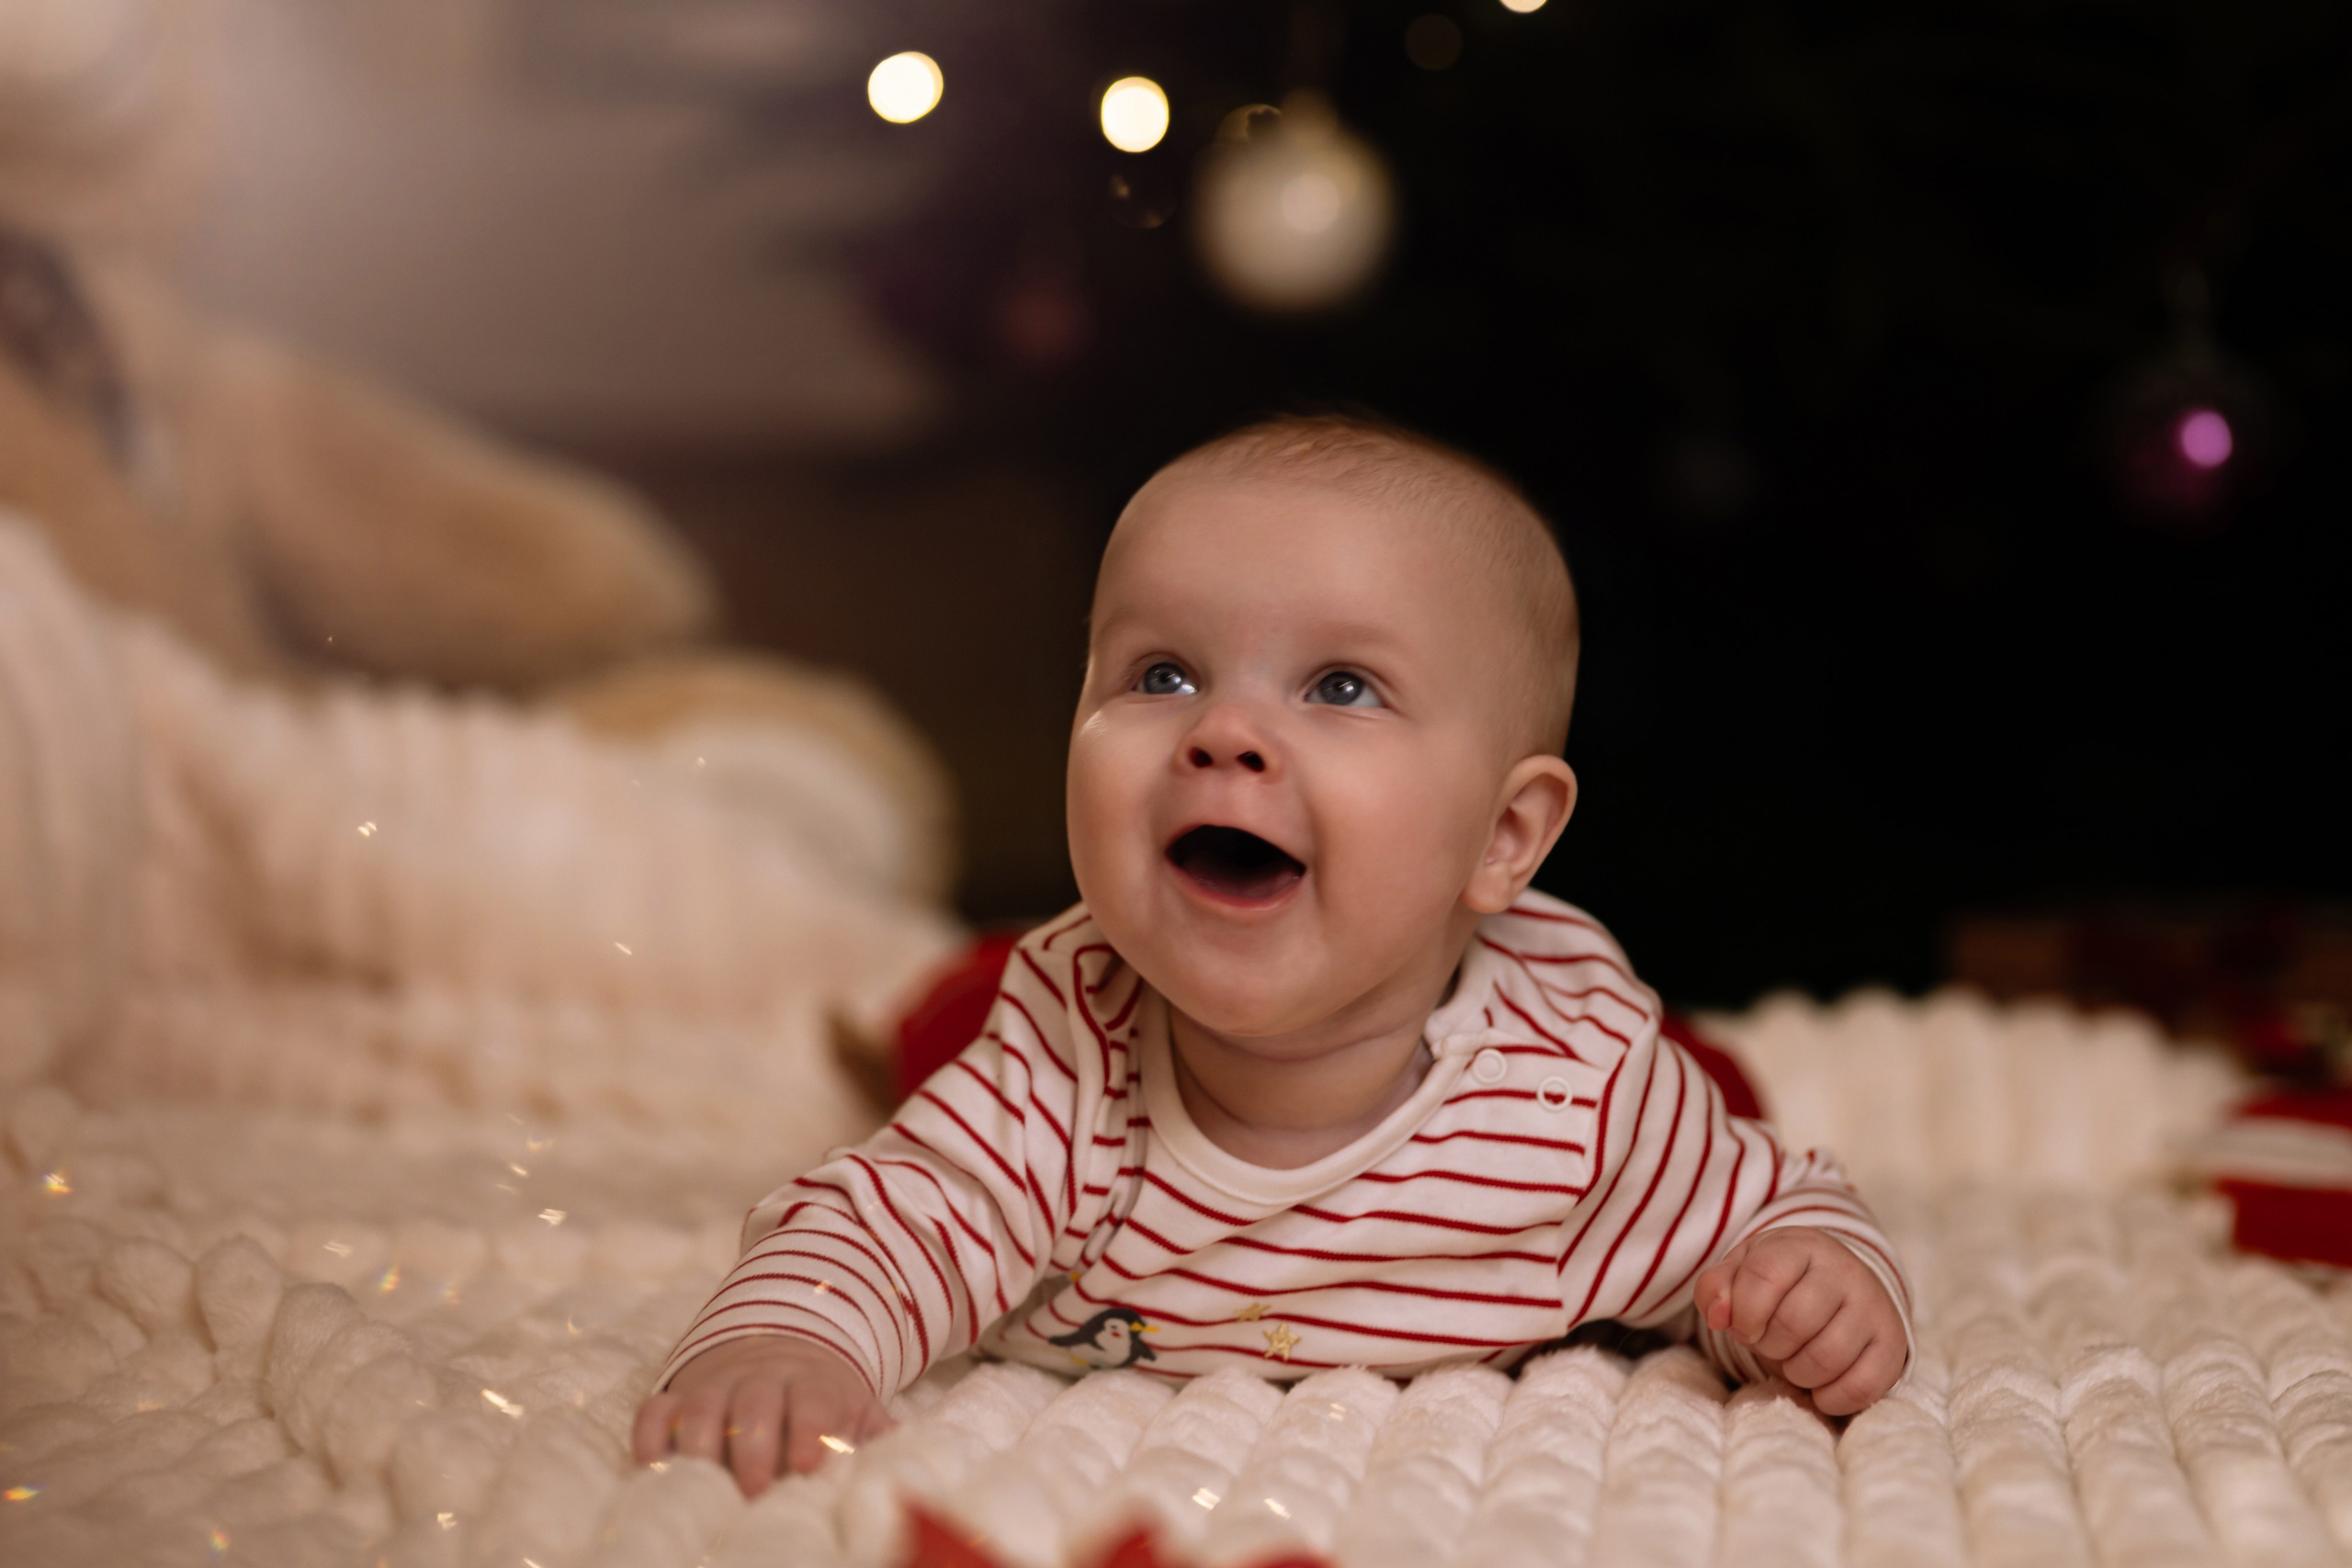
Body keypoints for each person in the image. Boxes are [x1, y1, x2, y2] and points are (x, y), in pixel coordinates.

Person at [633, 416, 1913, 1495]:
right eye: (1162, 675)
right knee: (949, 1027)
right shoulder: (1066, 1054)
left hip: (1557, 1018)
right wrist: (792, 1343)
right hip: (1022, 993)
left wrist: (1808, 1294)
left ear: (1504, 836)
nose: (1225, 731)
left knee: (1716, 1085)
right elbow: (888, 1220)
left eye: (1341, 686)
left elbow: (1781, 1212)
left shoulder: (1577, 1095)